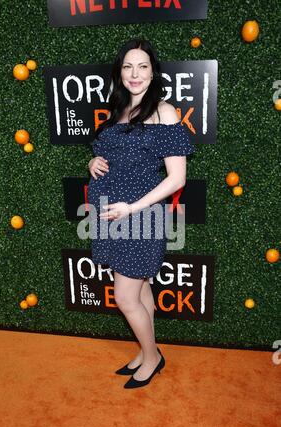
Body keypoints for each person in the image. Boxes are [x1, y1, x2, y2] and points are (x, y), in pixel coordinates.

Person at [87, 38, 195, 389]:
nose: (135, 74)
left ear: (153, 71)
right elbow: (112, 158)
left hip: (141, 218)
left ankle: (152, 357)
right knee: (142, 289)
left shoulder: (163, 111)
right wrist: (94, 162)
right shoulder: (118, 110)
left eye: (142, 66)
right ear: (120, 73)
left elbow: (177, 177)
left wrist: (132, 208)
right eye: (128, 66)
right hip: (113, 218)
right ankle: (147, 349)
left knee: (125, 297)